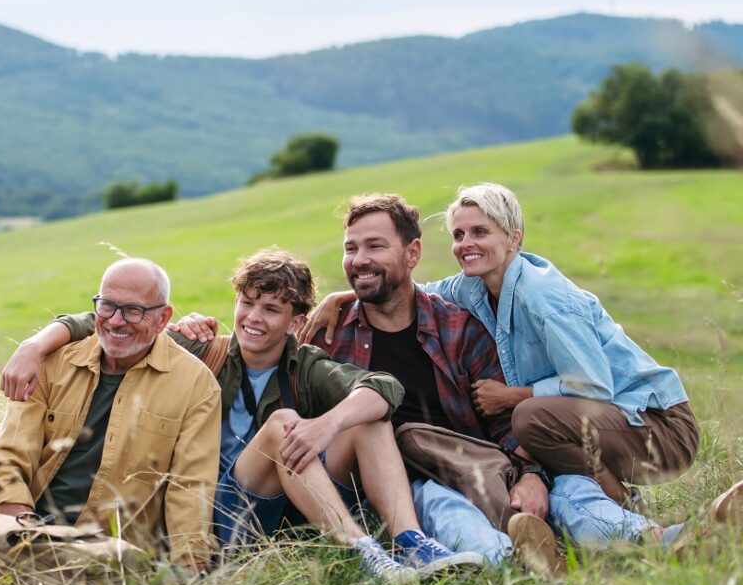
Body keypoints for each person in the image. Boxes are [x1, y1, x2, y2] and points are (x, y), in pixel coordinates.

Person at [306, 185, 742, 556]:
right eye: (459, 234)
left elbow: (592, 386)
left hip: (650, 422)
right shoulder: (471, 288)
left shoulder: (539, 297)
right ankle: (648, 535)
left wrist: (522, 431)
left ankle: (654, 529)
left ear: (513, 238)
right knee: (556, 476)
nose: (466, 243)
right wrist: (345, 294)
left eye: (480, 232)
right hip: (556, 437)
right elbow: (412, 290)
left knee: (543, 444)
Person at [3, 249, 483, 584]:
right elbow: (113, 319)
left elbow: (384, 388)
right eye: (247, 303)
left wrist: (327, 423)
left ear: (296, 322)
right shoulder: (202, 350)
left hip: (277, 508)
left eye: (271, 309)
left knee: (367, 419)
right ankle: (366, 555)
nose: (254, 317)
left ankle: (409, 543)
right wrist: (34, 343)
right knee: (281, 427)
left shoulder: (305, 366)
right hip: (209, 511)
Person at [0, 258, 221, 571]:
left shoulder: (196, 385)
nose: (116, 321)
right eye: (107, 306)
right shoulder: (52, 363)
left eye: (133, 310)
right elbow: (7, 458)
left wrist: (190, 573)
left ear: (163, 318)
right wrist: (22, 534)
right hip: (29, 530)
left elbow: (189, 492)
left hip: (113, 557)